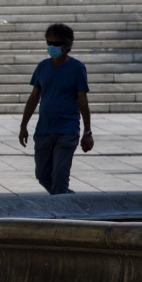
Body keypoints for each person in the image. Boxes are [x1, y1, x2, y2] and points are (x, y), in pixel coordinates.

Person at [19, 23, 93, 194]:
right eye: (49, 43)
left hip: (67, 130)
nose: (52, 47)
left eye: (56, 44)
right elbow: (33, 98)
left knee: (60, 176)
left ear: (67, 46)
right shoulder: (42, 67)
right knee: (42, 175)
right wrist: (23, 126)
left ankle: (63, 215)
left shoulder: (77, 68)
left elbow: (83, 99)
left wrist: (87, 131)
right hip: (44, 129)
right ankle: (70, 201)